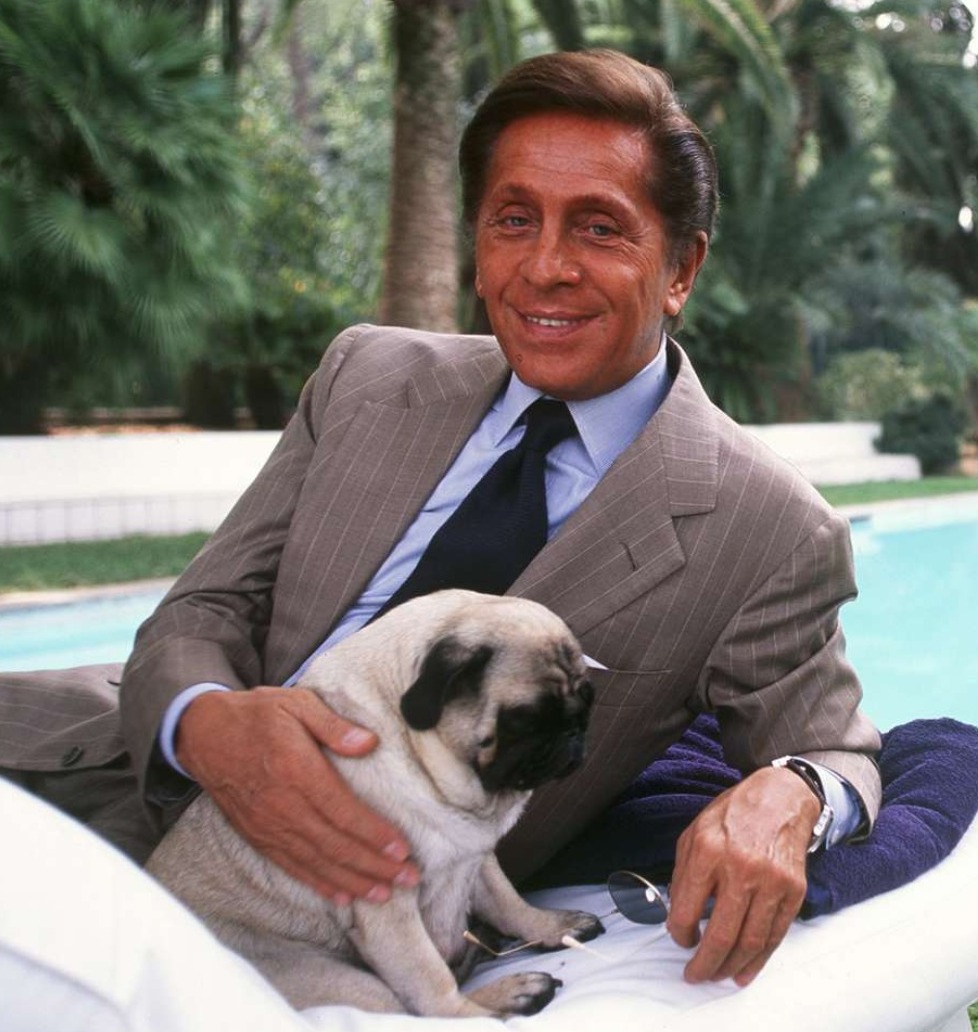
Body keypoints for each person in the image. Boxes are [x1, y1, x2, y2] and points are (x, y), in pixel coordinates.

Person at [0, 48, 881, 990]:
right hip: (96, 777)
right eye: (513, 220)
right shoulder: (365, 375)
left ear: (681, 268)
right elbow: (201, 611)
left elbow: (835, 747)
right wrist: (205, 725)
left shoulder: (767, 529)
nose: (544, 268)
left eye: (599, 229)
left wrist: (793, 794)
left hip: (341, 922)